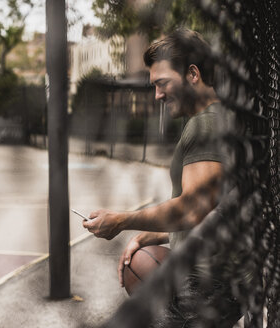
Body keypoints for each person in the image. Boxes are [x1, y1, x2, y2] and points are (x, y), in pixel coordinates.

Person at [83, 28, 244, 327]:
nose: (157, 95)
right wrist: (147, 235)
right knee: (142, 258)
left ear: (192, 74)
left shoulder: (204, 125)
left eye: (162, 83)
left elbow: (192, 210)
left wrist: (120, 220)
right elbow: (210, 212)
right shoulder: (219, 116)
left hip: (204, 286)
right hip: (221, 277)